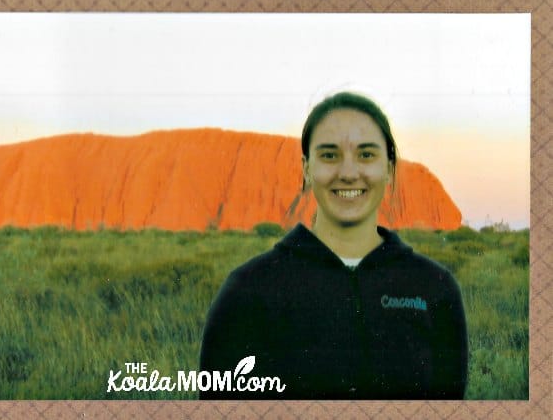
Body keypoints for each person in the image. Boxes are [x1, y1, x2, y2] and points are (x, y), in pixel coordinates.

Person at [199, 92, 468, 400]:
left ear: (390, 169)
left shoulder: (434, 288)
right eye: (329, 155)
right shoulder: (248, 289)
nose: (349, 173)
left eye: (366, 155)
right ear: (306, 169)